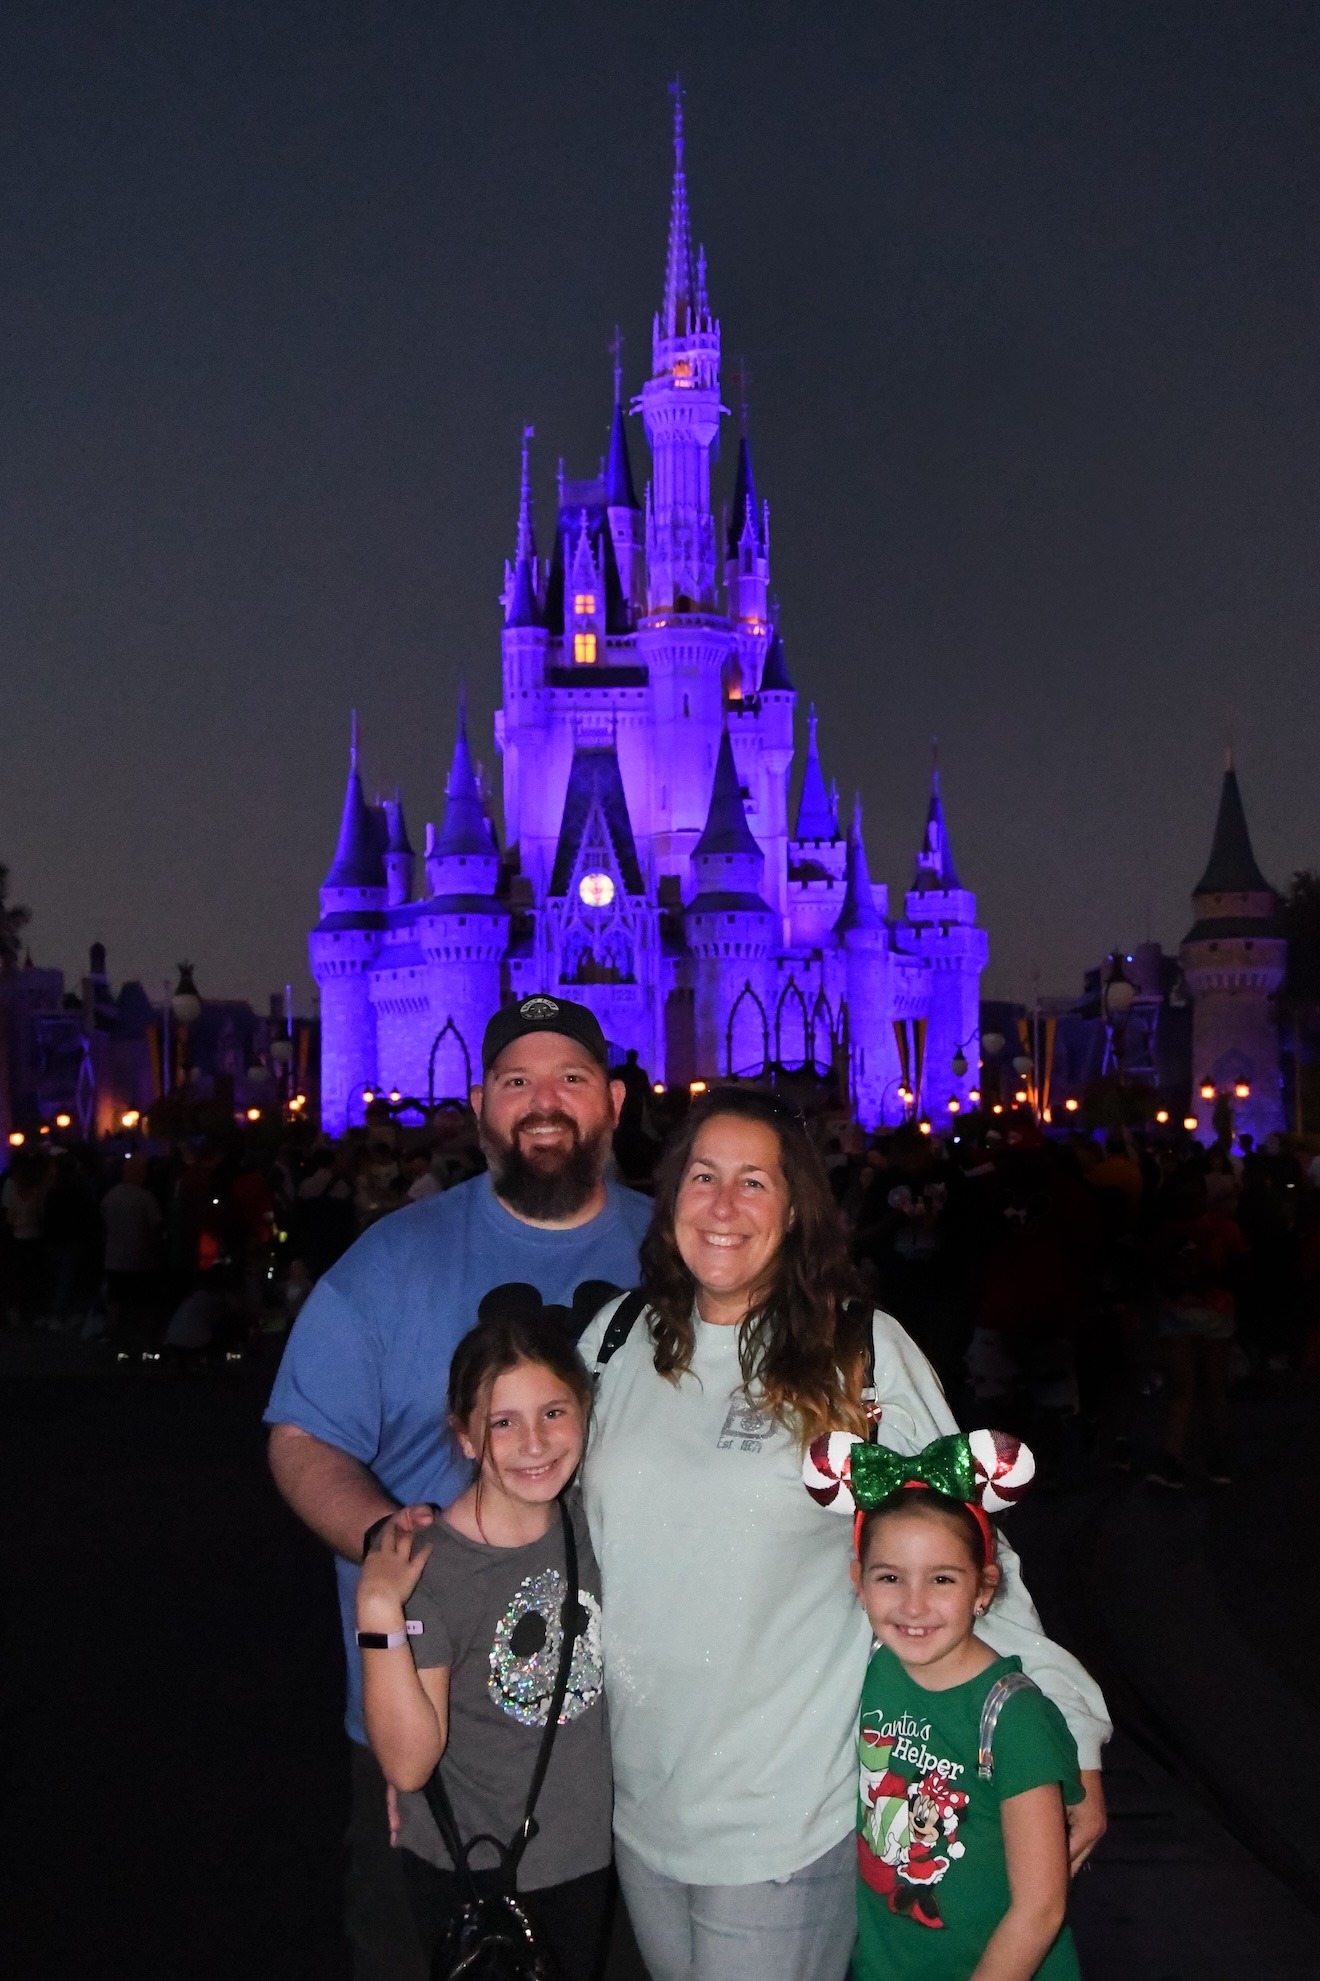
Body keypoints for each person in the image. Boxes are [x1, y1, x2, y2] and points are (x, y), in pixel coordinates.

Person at [577, 1089, 1109, 1981]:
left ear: (797, 1211)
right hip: (641, 1806)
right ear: (669, 1198)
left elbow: (971, 1549)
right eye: (702, 1176)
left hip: (787, 1812)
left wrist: (1072, 1734)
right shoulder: (616, 1339)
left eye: (756, 1181)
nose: (723, 1204)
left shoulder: (856, 1352)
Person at [265, 994, 650, 1981]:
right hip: (424, 1724)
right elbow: (304, 1439)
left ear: (612, 1099)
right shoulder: (392, 1259)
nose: (542, 1102)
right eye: (516, 1081)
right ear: (479, 1104)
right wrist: (397, 1544)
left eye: (569, 1077)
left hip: (628, 1730)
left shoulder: (680, 1253)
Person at [358, 1303, 612, 1980]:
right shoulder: (435, 1567)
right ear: (466, 1437)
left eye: (553, 1412)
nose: (535, 1441)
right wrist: (379, 1609)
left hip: (584, 1858)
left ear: (584, 1410)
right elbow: (409, 1764)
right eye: (503, 1421)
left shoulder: (597, 1523)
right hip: (471, 1868)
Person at [847, 1435, 1081, 1980]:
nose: (913, 1605)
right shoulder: (876, 1673)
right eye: (889, 1577)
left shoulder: (1014, 1718)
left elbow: (1041, 1907)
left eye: (942, 1579)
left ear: (983, 1587)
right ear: (857, 1581)